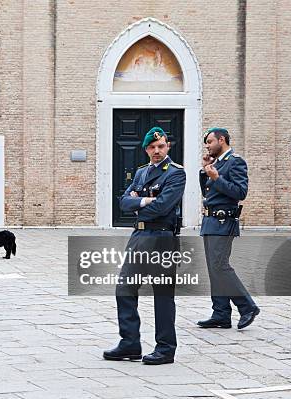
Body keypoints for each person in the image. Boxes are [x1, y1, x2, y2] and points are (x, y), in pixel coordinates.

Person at [103, 127, 186, 365]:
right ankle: (130, 343)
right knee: (125, 288)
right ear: (146, 149)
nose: (157, 151)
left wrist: (139, 202)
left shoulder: (176, 173)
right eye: (152, 147)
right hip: (139, 237)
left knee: (162, 295)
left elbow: (163, 207)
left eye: (161, 146)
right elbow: (123, 202)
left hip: (162, 239)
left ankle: (166, 348)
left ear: (168, 146)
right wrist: (145, 200)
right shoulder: (140, 173)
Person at [197, 127, 260, 330]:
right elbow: (208, 193)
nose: (207, 146)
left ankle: (247, 307)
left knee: (220, 266)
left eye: (209, 142)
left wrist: (216, 177)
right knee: (214, 269)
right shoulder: (217, 163)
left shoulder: (235, 161)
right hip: (210, 221)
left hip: (224, 222)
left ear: (221, 140)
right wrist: (205, 171)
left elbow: (240, 192)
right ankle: (221, 313)